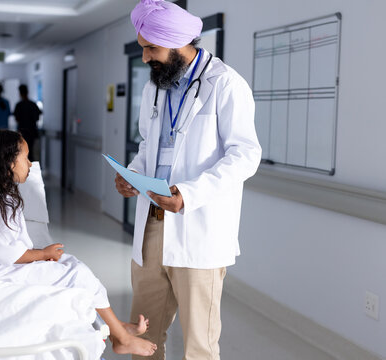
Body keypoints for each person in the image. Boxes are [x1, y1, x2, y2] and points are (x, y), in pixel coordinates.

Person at [114, 1, 262, 359]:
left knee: (199, 344)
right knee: (143, 335)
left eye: (152, 48)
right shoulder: (155, 87)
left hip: (198, 226)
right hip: (152, 223)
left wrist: (189, 194)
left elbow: (246, 154)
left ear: (179, 44)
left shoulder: (225, 84)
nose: (145, 56)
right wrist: (133, 173)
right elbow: (150, 144)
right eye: (143, 47)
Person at [0, 129, 157, 357]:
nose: (30, 164)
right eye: (25, 158)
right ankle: (120, 338)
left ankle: (116, 327)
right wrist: (42, 254)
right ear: (8, 163)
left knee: (73, 265)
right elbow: (12, 255)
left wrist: (43, 255)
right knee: (77, 274)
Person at [14, 84, 42, 161]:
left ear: (20, 93)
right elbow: (37, 118)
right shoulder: (33, 104)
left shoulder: (19, 105)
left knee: (23, 153)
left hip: (23, 132)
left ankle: (25, 171)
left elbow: (16, 118)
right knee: (31, 153)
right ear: (27, 92)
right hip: (32, 132)